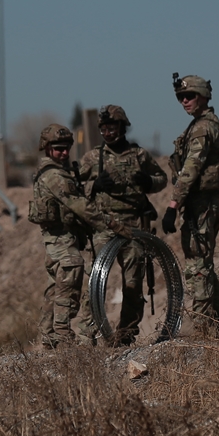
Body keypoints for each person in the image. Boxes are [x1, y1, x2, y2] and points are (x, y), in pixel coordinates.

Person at [29, 123, 132, 349]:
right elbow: (80, 206)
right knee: (71, 270)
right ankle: (63, 336)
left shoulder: (60, 172)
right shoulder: (54, 175)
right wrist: (112, 224)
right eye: (58, 148)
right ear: (47, 149)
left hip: (65, 236)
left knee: (55, 287)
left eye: (66, 148)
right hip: (60, 237)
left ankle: (48, 338)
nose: (63, 152)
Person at [75, 105, 168, 346]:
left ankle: (125, 335)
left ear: (122, 127)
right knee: (96, 281)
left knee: (133, 284)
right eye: (104, 128)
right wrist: (94, 186)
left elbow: (161, 179)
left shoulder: (139, 156)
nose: (108, 132)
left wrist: (147, 181)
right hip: (104, 225)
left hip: (134, 225)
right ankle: (88, 336)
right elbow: (73, 189)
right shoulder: (93, 157)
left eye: (112, 127)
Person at [161, 74, 219, 334]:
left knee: (198, 267)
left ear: (203, 96)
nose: (184, 101)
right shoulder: (206, 125)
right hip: (202, 204)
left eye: (189, 96)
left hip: (201, 205)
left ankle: (202, 331)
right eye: (181, 97)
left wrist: (172, 204)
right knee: (204, 264)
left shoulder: (202, 128)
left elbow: (191, 169)